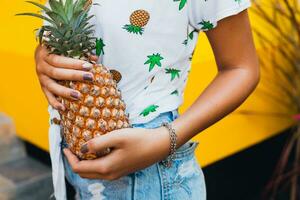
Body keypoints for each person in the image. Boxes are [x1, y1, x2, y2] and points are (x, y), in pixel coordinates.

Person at [35, 0, 259, 199]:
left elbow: (241, 68)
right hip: (77, 160)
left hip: (153, 173)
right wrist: (44, 57)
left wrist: (164, 140)